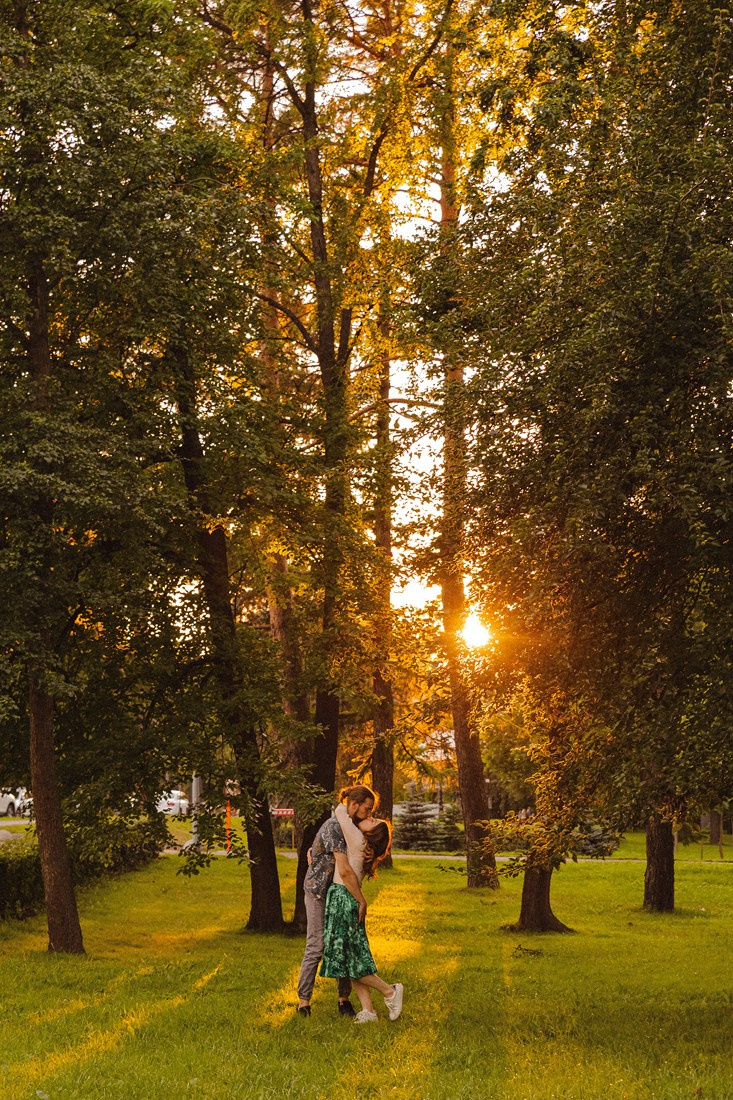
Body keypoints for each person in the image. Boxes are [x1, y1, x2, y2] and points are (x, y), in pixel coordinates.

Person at [319, 802, 404, 1024]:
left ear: (372, 832)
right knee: (352, 958)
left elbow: (339, 810)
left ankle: (390, 991)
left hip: (343, 898)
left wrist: (350, 801)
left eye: (372, 820)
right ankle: (368, 1011)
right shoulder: (362, 844)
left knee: (349, 961)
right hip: (345, 898)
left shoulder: (357, 839)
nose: (369, 817)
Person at [296, 785, 375, 1017]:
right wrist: (362, 900)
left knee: (342, 944)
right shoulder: (334, 827)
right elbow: (345, 868)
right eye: (367, 809)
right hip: (318, 892)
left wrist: (371, 850)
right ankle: (303, 1002)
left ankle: (343, 1000)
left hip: (337, 893)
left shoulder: (349, 826)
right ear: (353, 805)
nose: (369, 814)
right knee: (316, 945)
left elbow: (368, 840)